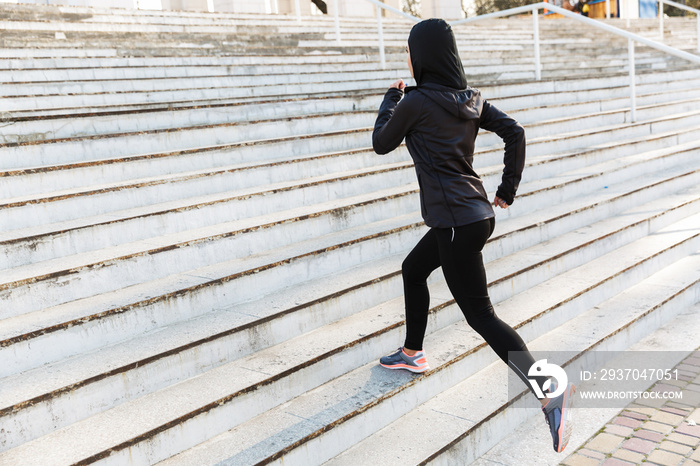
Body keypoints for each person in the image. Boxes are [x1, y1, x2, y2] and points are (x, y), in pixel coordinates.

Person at [372, 18, 576, 453]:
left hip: (452, 224)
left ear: (421, 56)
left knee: (481, 317)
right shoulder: (471, 100)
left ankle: (548, 392)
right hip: (475, 216)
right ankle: (412, 351)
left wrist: (391, 97)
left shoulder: (415, 102)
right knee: (413, 269)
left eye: (410, 51)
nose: (407, 60)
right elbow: (514, 132)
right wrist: (507, 189)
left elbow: (381, 142)